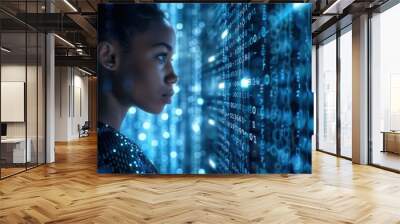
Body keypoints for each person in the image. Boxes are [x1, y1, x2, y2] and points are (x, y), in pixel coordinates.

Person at [97, 4, 178, 174]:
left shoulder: (109, 147)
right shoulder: (114, 158)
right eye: (161, 56)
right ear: (110, 57)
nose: (173, 77)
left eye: (171, 59)